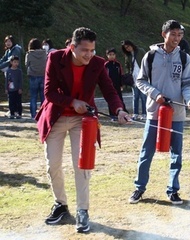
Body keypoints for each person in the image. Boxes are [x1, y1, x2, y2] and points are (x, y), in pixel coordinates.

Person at [35, 27, 129, 233]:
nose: (89, 55)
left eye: (92, 50)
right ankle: (60, 205)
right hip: (57, 117)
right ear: (72, 47)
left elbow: (109, 89)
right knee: (53, 164)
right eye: (84, 50)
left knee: (82, 166)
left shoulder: (97, 64)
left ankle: (83, 210)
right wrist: (72, 102)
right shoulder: (56, 58)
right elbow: (49, 93)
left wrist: (119, 109)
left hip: (83, 121)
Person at [128, 20, 190, 205]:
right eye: (173, 34)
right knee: (146, 152)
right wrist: (156, 94)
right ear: (163, 34)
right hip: (154, 113)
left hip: (177, 114)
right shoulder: (150, 56)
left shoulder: (185, 58)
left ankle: (173, 190)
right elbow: (141, 81)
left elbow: (188, 84)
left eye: (180, 35)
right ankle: (139, 188)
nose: (177, 38)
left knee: (177, 154)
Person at [121, 40, 147, 120]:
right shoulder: (127, 55)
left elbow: (147, 60)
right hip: (133, 77)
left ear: (131, 45)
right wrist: (129, 74)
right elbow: (127, 66)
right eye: (126, 48)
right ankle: (135, 113)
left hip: (142, 76)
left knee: (143, 97)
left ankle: (144, 113)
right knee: (135, 96)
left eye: (128, 46)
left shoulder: (140, 51)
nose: (128, 48)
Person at [25, 38, 47, 119]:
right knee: (43, 97)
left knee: (33, 96)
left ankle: (33, 114)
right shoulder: (44, 53)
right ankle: (43, 113)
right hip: (43, 75)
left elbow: (26, 64)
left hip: (33, 76)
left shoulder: (29, 54)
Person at [104, 47, 128, 116]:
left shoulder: (118, 64)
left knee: (120, 99)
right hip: (110, 85)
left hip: (117, 85)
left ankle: (123, 112)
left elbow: (121, 74)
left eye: (113, 54)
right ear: (107, 55)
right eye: (110, 54)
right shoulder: (106, 65)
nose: (111, 56)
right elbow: (104, 76)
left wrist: (121, 85)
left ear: (115, 55)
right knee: (111, 100)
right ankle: (112, 115)